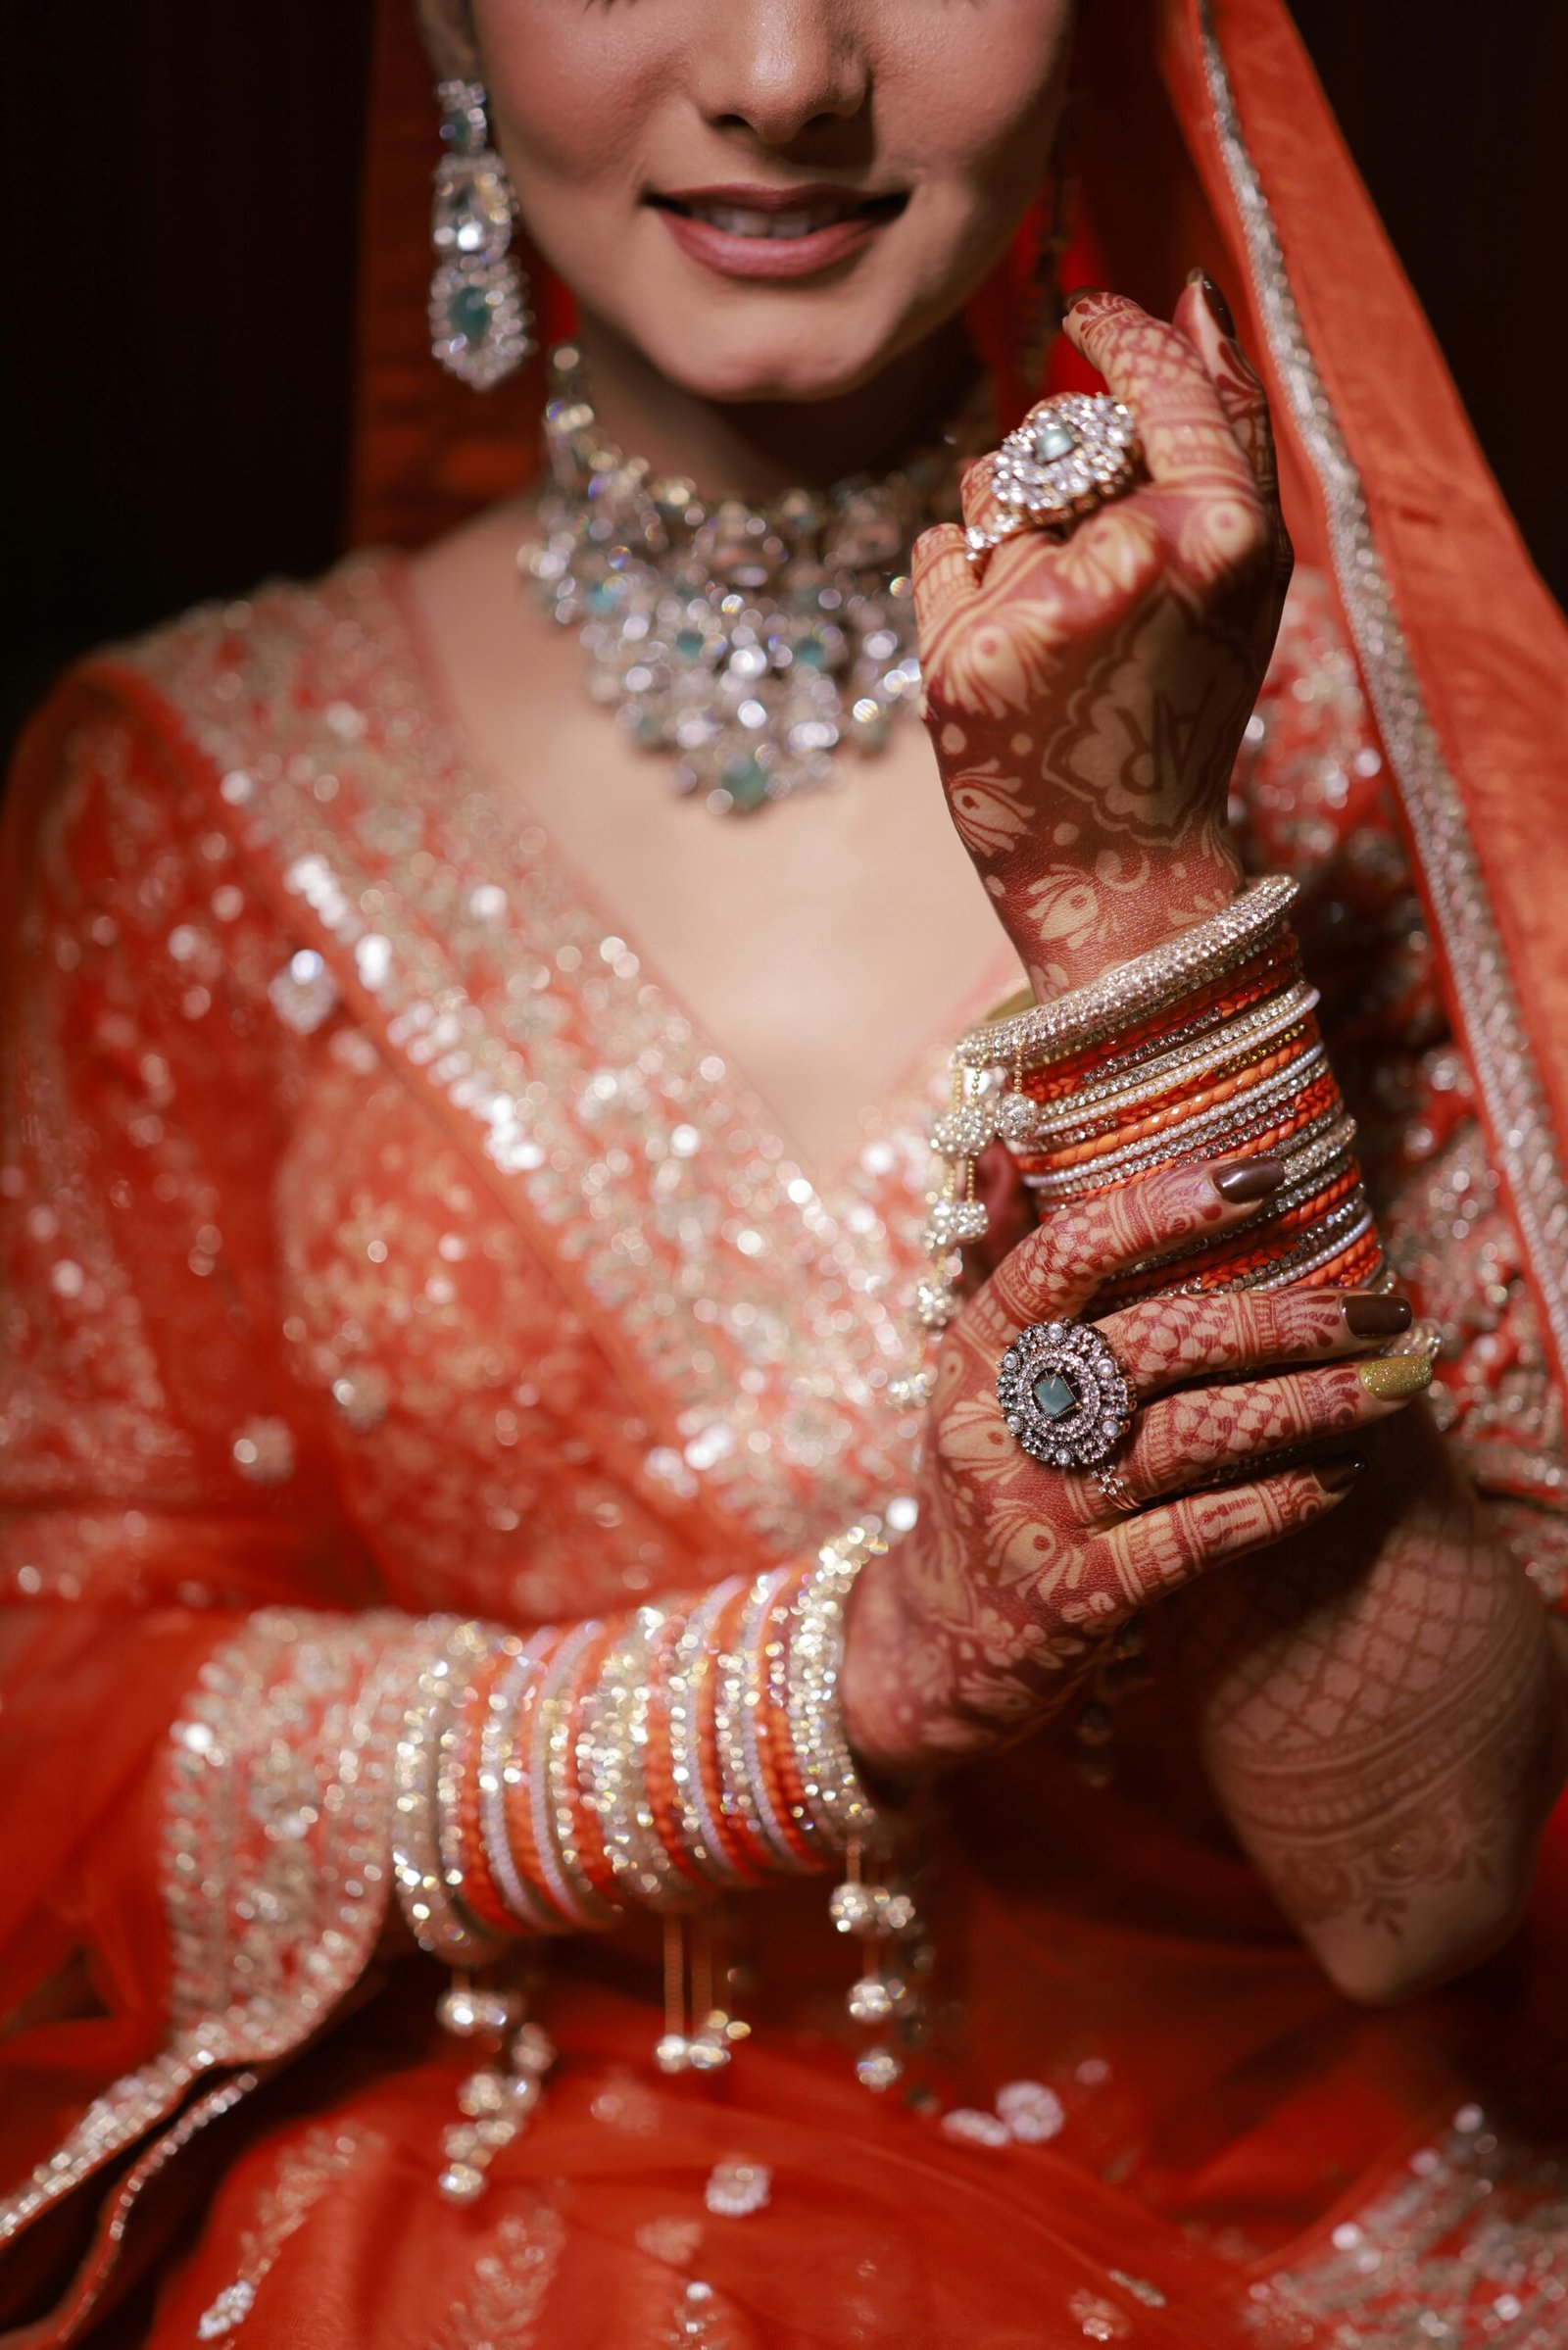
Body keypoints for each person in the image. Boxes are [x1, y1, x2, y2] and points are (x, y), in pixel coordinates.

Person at [4, 0, 1568, 2340]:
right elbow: (63, 1710)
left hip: (1300, 2237)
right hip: (464, 2238)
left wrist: (1134, 893)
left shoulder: (1383, 764)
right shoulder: (186, 794)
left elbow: (1416, 1879)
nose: (776, 72)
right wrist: (832, 1677)